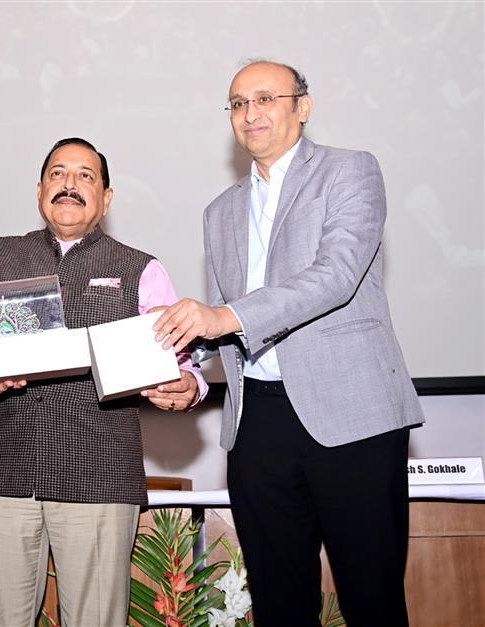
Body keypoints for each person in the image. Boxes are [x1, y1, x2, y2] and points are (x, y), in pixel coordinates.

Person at [154, 61, 425, 627]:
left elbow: (336, 276)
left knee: (371, 596)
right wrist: (190, 372)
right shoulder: (219, 212)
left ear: (302, 106)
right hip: (258, 422)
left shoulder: (350, 172)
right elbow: (224, 326)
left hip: (352, 416)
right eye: (236, 103)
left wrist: (220, 316)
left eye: (264, 98)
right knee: (278, 603)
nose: (249, 113)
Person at [0, 137, 207, 627]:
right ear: (38, 191)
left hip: (98, 473)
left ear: (107, 198)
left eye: (85, 176)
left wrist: (189, 384)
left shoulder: (142, 268)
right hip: (4, 469)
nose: (68, 185)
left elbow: (184, 361)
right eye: (57, 174)